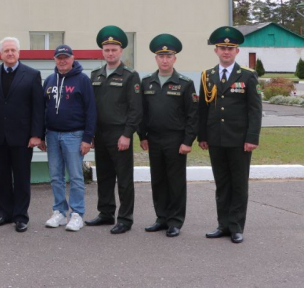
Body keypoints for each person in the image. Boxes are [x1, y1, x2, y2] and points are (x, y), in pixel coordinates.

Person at [197, 26, 262, 244]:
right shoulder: (208, 75)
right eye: (223, 48)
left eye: (230, 49)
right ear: (216, 50)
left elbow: (255, 110)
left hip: (239, 140)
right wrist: (202, 136)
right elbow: (203, 109)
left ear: (237, 52)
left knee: (239, 184)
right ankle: (223, 224)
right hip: (216, 139)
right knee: (222, 183)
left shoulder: (248, 75)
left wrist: (252, 138)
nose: (226, 52)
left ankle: (236, 226)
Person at [138, 34, 197, 237]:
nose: (164, 60)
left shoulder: (185, 83)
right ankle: (161, 218)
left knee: (175, 181)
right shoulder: (147, 82)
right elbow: (141, 113)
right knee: (158, 180)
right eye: (161, 56)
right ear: (156, 58)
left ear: (175, 59)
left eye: (168, 56)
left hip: (176, 140)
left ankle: (175, 221)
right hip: (153, 139)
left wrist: (188, 141)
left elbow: (192, 115)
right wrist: (142, 136)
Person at [0, 37, 45, 233]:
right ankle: (5, 213)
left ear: (19, 53)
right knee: (2, 177)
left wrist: (37, 134)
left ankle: (20, 216)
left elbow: (38, 107)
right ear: (0, 54)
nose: (10, 53)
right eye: (6, 50)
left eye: (13, 50)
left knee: (21, 178)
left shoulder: (32, 74)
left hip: (22, 137)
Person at [86, 26, 142, 234]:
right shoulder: (95, 75)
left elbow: (136, 110)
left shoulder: (130, 76)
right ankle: (106, 213)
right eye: (107, 50)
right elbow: (91, 108)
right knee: (105, 176)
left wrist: (127, 134)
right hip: (100, 134)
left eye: (114, 50)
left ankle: (125, 219)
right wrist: (90, 133)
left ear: (121, 52)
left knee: (124, 180)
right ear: (103, 51)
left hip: (120, 135)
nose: (110, 53)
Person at [42, 45, 96, 232]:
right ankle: (59, 212)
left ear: (73, 59)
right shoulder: (49, 80)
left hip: (75, 134)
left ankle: (77, 214)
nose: (62, 61)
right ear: (55, 60)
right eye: (59, 58)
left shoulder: (82, 80)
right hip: (52, 134)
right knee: (56, 176)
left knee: (75, 176)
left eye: (66, 57)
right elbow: (43, 109)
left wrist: (88, 138)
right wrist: (42, 135)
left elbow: (91, 110)